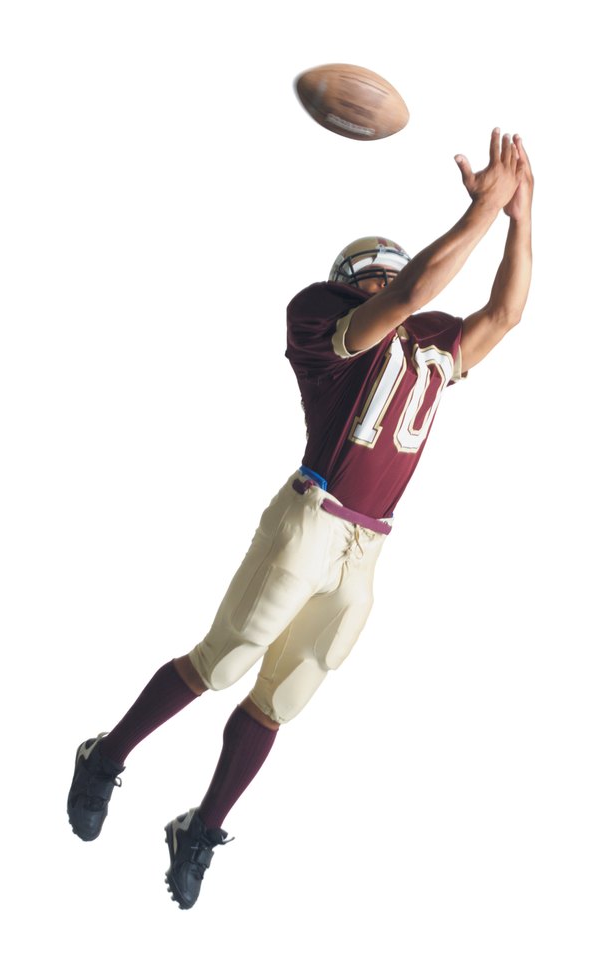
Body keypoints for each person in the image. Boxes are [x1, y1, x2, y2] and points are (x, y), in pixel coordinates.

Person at [67, 128, 533, 910]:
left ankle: (200, 829)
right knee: (223, 662)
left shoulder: (427, 345)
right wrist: (481, 213)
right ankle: (105, 755)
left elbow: (506, 315)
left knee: (281, 698)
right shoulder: (320, 314)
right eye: (378, 272)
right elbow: (414, 291)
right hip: (312, 515)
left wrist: (523, 214)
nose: (388, 276)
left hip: (370, 543)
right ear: (357, 280)